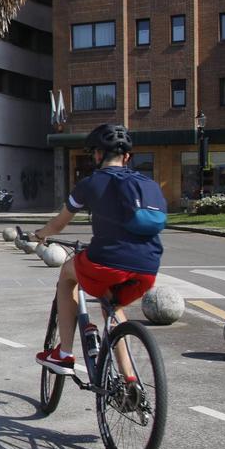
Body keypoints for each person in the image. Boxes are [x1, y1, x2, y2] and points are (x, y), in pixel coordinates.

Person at [30, 124, 161, 375]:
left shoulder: (90, 184)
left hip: (106, 263)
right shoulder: (149, 184)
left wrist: (40, 235)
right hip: (147, 268)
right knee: (113, 307)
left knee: (67, 276)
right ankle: (130, 380)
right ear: (127, 157)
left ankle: (64, 354)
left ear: (98, 155)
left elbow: (58, 224)